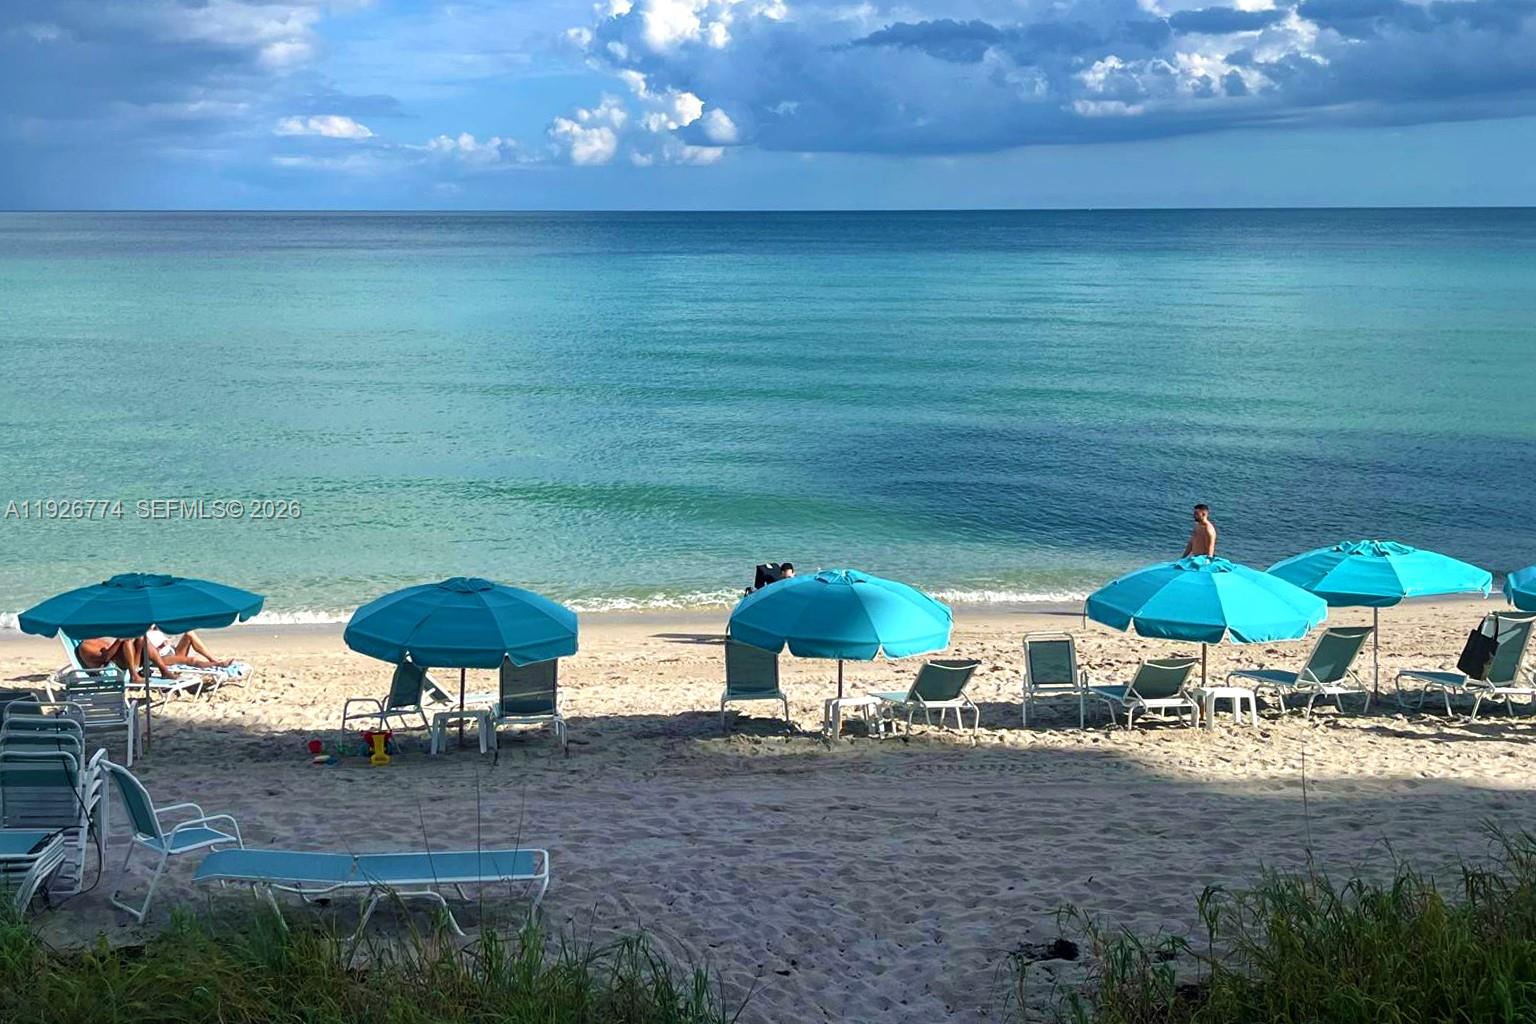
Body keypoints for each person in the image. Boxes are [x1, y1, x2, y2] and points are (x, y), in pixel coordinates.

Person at [142, 625, 232, 673]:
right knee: (191, 660)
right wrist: (162, 645)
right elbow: (150, 653)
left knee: (189, 633)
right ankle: (217, 664)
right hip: (161, 658)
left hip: (171, 650)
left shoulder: (153, 627)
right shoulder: (140, 635)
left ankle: (213, 659)